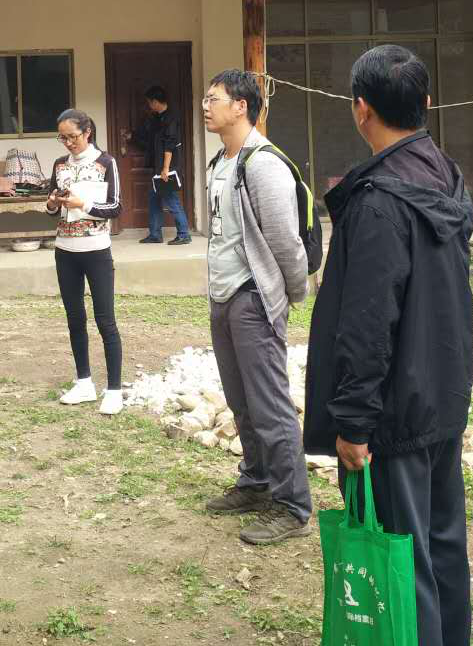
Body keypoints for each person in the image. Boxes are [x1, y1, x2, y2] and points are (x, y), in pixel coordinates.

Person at [303, 45, 473, 646]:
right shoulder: (446, 176)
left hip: (396, 413)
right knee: (442, 544)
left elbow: (368, 324)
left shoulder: (378, 202)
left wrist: (353, 422)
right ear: (425, 102)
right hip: (440, 395)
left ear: (361, 108)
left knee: (404, 558)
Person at [201, 69, 313, 545]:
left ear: (241, 106)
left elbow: (286, 242)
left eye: (214, 99)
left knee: (269, 404)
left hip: (253, 297)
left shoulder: (263, 164)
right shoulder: (219, 162)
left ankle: (292, 506)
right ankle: (256, 481)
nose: (206, 107)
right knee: (241, 400)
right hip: (223, 295)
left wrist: (289, 295)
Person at [46, 109, 124, 415]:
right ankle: (84, 382)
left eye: (73, 137)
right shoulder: (59, 165)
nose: (68, 143)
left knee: (105, 320)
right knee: (75, 318)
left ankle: (114, 390)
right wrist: (52, 203)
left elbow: (115, 207)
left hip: (96, 250)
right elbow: (52, 206)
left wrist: (84, 204)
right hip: (64, 249)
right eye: (62, 138)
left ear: (87, 132)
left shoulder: (106, 162)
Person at [131, 85, 191, 245]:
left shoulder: (171, 118)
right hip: (158, 167)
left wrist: (165, 169)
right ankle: (155, 234)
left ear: (155, 102)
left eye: (149, 102)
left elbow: (169, 145)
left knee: (172, 201)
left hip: (167, 168)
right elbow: (151, 140)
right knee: (154, 199)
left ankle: (184, 234)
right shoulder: (157, 118)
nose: (149, 105)